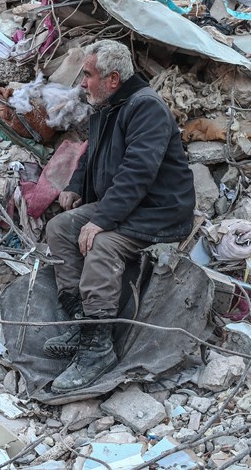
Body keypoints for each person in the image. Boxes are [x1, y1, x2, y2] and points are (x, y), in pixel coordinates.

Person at [44, 40, 196, 393]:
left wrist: (102, 221)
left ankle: (98, 349)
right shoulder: (109, 106)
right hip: (127, 203)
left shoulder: (146, 109)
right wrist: (77, 183)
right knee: (60, 229)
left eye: (88, 75)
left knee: (103, 244)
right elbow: (91, 153)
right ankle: (82, 324)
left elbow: (138, 173)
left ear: (113, 79)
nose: (83, 82)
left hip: (158, 211)